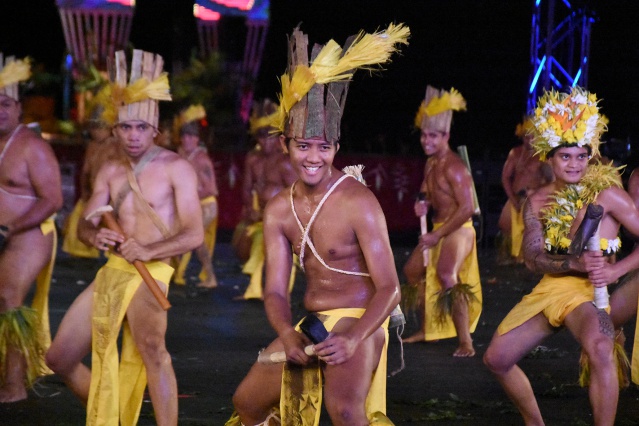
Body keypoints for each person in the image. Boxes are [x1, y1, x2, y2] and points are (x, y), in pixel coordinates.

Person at [227, 23, 410, 425]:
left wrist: (354, 337)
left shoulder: (358, 201)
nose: (314, 157)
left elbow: (390, 288)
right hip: (311, 323)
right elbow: (275, 290)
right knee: (247, 403)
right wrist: (287, 333)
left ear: (336, 148)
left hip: (360, 319)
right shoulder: (279, 209)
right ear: (285, 144)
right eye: (303, 146)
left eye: (324, 147)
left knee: (344, 411)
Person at [45, 49, 203, 426]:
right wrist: (94, 236)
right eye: (126, 127)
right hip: (115, 270)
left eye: (141, 128)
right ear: (115, 129)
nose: (133, 135)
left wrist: (148, 249)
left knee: (153, 351)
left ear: (155, 130)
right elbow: (85, 224)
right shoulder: (110, 171)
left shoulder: (177, 168)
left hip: (153, 270)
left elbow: (194, 233)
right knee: (59, 358)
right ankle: (110, 415)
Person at [483, 87, 639, 425]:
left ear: (590, 156)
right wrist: (573, 262)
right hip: (550, 288)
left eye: (581, 156)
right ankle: (534, 422)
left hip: (586, 293)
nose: (574, 164)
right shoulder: (536, 201)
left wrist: (615, 272)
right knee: (496, 359)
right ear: (549, 159)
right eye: (565, 157)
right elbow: (532, 256)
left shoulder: (608, 194)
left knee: (601, 348)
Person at [401, 86, 483, 358]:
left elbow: (467, 209)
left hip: (459, 229)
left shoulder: (454, 167)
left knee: (447, 275)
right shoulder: (431, 163)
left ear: (445, 136)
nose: (426, 141)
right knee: (412, 272)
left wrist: (437, 236)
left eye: (433, 136)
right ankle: (429, 328)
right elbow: (425, 189)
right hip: (438, 228)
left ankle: (466, 341)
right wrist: (422, 202)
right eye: (424, 135)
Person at [0, 55, 63, 403]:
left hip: (29, 233)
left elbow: (52, 199)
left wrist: (10, 226)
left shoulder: (32, 146)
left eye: (5, 104)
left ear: (19, 108)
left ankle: (15, 385)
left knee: (8, 298)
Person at [236, 98, 297, 300]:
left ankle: (282, 295)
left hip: (283, 219)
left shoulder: (285, 163)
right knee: (251, 247)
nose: (266, 142)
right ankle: (255, 290)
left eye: (270, 137)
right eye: (262, 138)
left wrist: (283, 219)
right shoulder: (252, 159)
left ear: (278, 138)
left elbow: (297, 194)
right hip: (260, 218)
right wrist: (250, 209)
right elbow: (246, 188)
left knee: (280, 254)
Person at [62, 103, 121, 258]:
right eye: (92, 127)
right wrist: (84, 191)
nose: (95, 131)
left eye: (99, 127)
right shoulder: (92, 146)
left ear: (109, 127)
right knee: (80, 226)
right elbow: (85, 172)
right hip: (92, 194)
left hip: (110, 197)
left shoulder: (116, 146)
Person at [172, 104, 220, 289]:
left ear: (196, 139)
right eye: (184, 136)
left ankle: (184, 274)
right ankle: (187, 274)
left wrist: (188, 194)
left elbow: (212, 189)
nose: (186, 140)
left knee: (191, 237)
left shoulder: (201, 159)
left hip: (206, 206)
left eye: (190, 137)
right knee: (188, 238)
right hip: (190, 206)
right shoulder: (181, 154)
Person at [497, 115, 554, 264]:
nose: (529, 140)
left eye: (532, 136)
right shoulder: (515, 153)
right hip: (516, 197)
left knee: (531, 226)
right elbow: (505, 177)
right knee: (504, 224)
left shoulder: (544, 155)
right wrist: (512, 198)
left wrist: (536, 193)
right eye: (526, 137)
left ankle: (531, 255)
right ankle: (512, 255)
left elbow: (552, 181)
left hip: (534, 199)